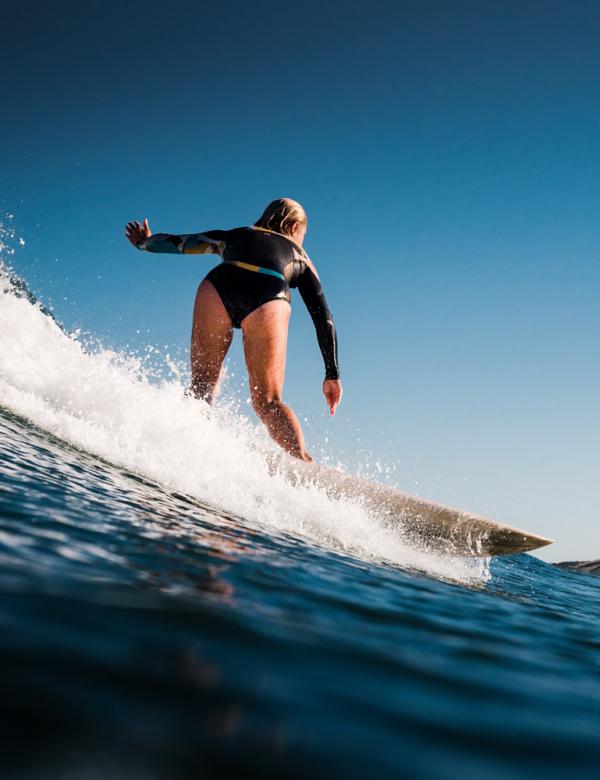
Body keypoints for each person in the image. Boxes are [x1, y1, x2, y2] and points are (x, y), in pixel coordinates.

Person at [125, 198, 342, 462]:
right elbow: (323, 316)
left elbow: (183, 243)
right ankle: (303, 466)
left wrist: (145, 243)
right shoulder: (300, 256)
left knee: (202, 385)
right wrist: (332, 374)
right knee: (269, 402)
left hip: (220, 284)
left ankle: (181, 451)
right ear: (296, 226)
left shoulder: (238, 234)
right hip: (269, 291)